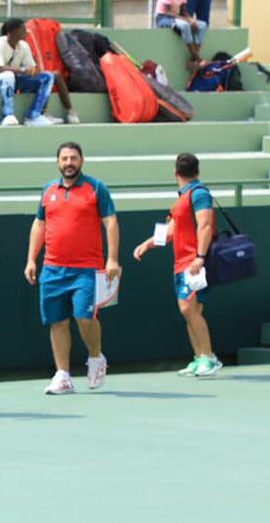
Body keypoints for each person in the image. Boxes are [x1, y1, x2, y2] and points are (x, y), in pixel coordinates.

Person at [23, 143, 120, 395]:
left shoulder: (96, 188)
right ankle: (62, 375)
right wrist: (31, 259)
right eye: (65, 158)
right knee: (57, 322)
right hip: (53, 269)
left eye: (73, 158)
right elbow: (39, 224)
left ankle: (96, 358)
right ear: (58, 162)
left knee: (84, 317)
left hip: (87, 269)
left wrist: (112, 259)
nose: (69, 162)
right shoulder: (48, 190)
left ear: (81, 161)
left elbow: (110, 223)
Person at [133, 153, 221, 377]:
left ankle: (208, 358)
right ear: (197, 171)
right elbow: (170, 231)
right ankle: (199, 357)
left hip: (193, 263)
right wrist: (147, 244)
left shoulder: (199, 194)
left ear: (175, 173)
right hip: (182, 263)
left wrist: (199, 257)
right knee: (192, 311)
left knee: (187, 309)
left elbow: (205, 225)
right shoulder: (182, 199)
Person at [0, 18, 78, 127]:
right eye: (22, 29)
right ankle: (7, 115)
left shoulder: (24, 45)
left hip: (18, 80)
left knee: (47, 77)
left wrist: (35, 70)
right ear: (12, 31)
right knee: (8, 75)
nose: (26, 32)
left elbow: (30, 67)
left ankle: (34, 115)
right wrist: (21, 70)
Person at [156, 0, 208, 67]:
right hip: (163, 18)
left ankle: (192, 60)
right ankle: (199, 59)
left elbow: (183, 12)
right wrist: (187, 21)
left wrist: (191, 20)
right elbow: (167, 12)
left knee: (202, 25)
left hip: (176, 17)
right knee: (185, 26)